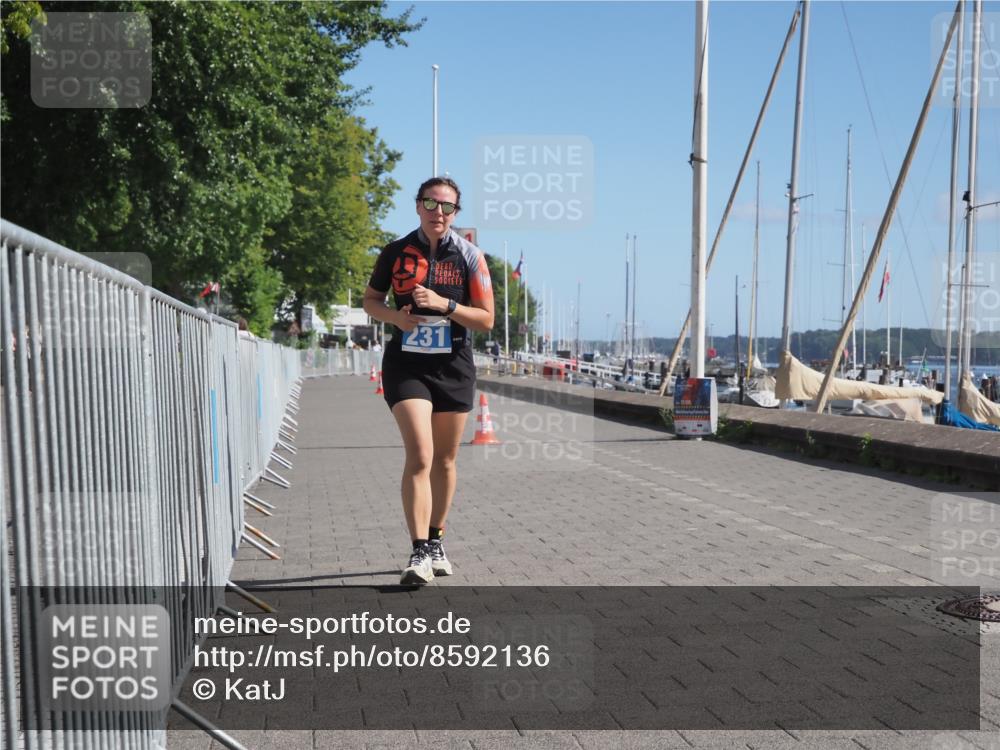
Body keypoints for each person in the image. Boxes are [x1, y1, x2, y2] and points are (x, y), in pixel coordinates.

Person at [363, 177, 495, 584]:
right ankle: (419, 550)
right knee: (421, 454)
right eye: (430, 203)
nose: (438, 212)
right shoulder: (395, 252)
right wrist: (396, 318)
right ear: (417, 206)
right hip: (407, 364)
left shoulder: (470, 256)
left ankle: (436, 540)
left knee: (445, 459)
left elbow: (487, 319)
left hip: (453, 365)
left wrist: (446, 304)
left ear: (456, 213)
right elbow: (371, 301)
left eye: (447, 206)